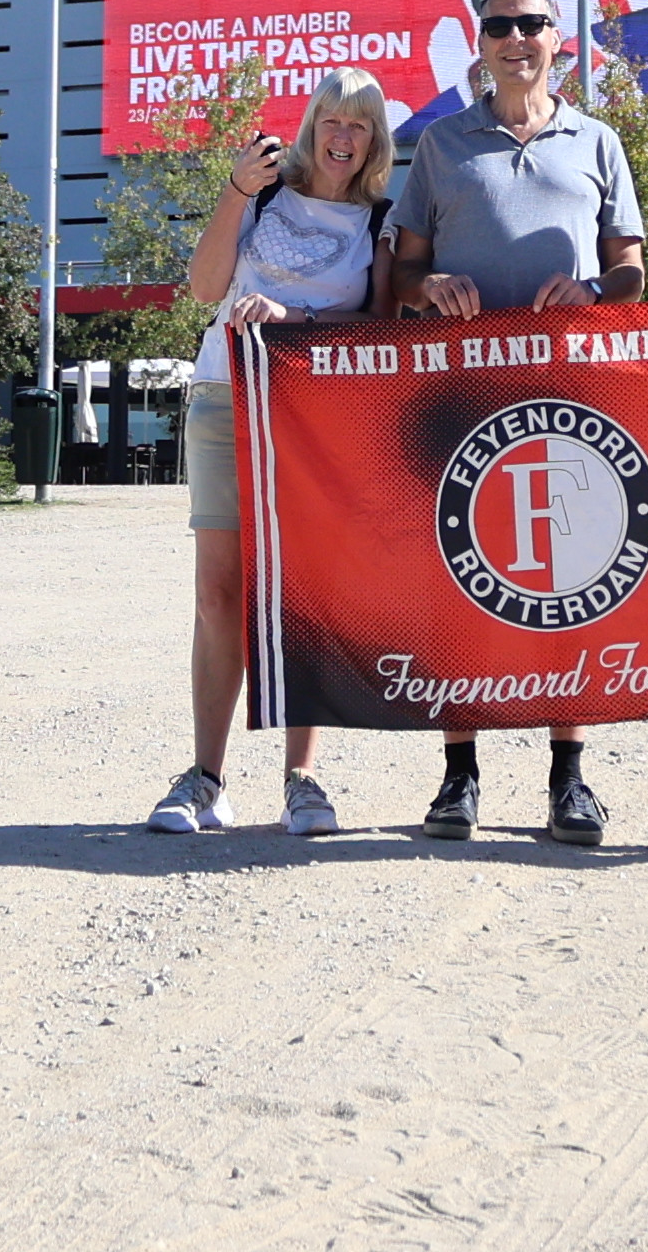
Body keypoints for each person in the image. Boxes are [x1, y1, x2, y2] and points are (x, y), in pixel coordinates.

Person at [382, 0, 647, 845]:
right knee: (461, 578)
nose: (516, 38)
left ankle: (569, 778)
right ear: (481, 41)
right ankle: (459, 776)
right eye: (499, 25)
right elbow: (403, 277)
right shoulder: (440, 146)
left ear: (556, 36)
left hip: (568, 395)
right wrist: (432, 286)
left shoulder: (597, 141)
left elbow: (633, 273)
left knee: (567, 581)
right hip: (460, 393)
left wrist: (595, 291)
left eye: (531, 23)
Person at [144, 65, 394, 839]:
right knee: (220, 595)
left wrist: (294, 319)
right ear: (312, 127)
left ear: (373, 139)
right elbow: (203, 287)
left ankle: (302, 780)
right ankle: (207, 779)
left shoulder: (380, 220)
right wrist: (232, 191)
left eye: (358, 124)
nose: (342, 137)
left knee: (303, 599)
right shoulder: (265, 197)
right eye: (331, 120)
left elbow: (382, 329)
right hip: (225, 397)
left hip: (316, 416)